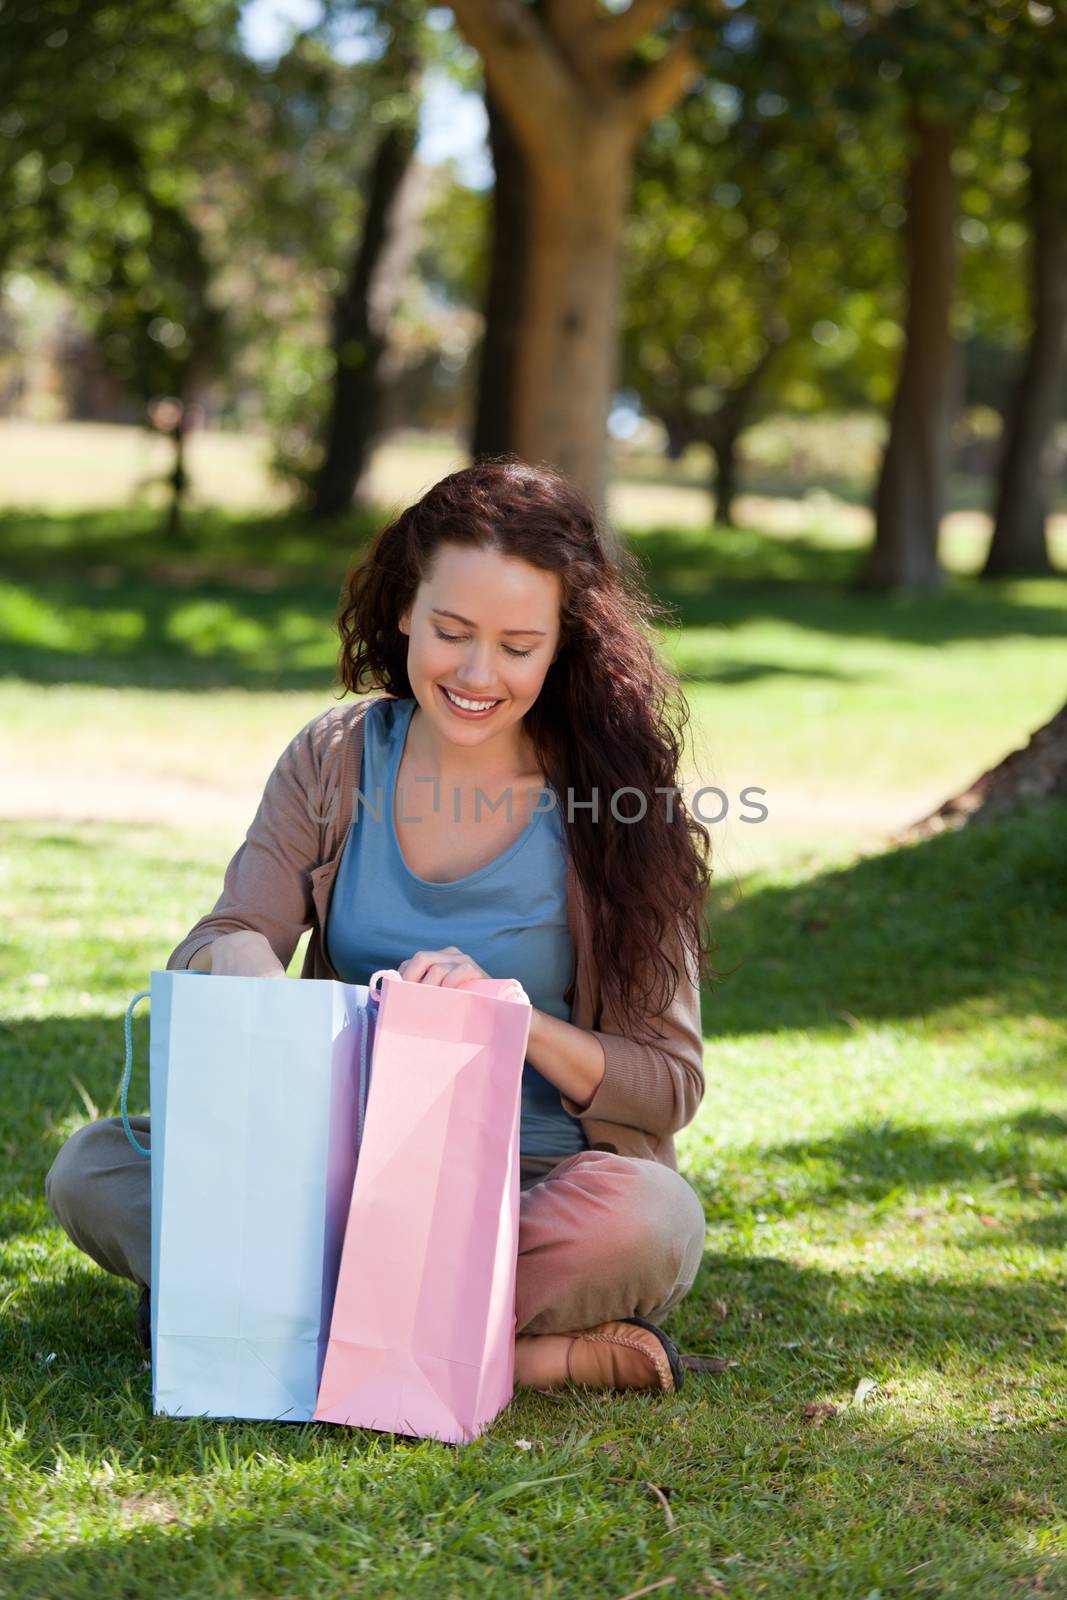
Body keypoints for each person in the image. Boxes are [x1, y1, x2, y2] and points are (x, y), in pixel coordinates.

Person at [46, 460, 714, 1395]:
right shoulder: (333, 757)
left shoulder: (621, 807)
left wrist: (512, 1019)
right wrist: (237, 961)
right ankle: (509, 1354)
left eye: (518, 646)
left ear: (561, 644)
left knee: (649, 1218)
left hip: (527, 1186)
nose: (478, 674)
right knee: (94, 1165)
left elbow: (667, 1086)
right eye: (450, 632)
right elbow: (228, 930)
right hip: (330, 1174)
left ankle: (270, 1317)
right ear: (405, 609)